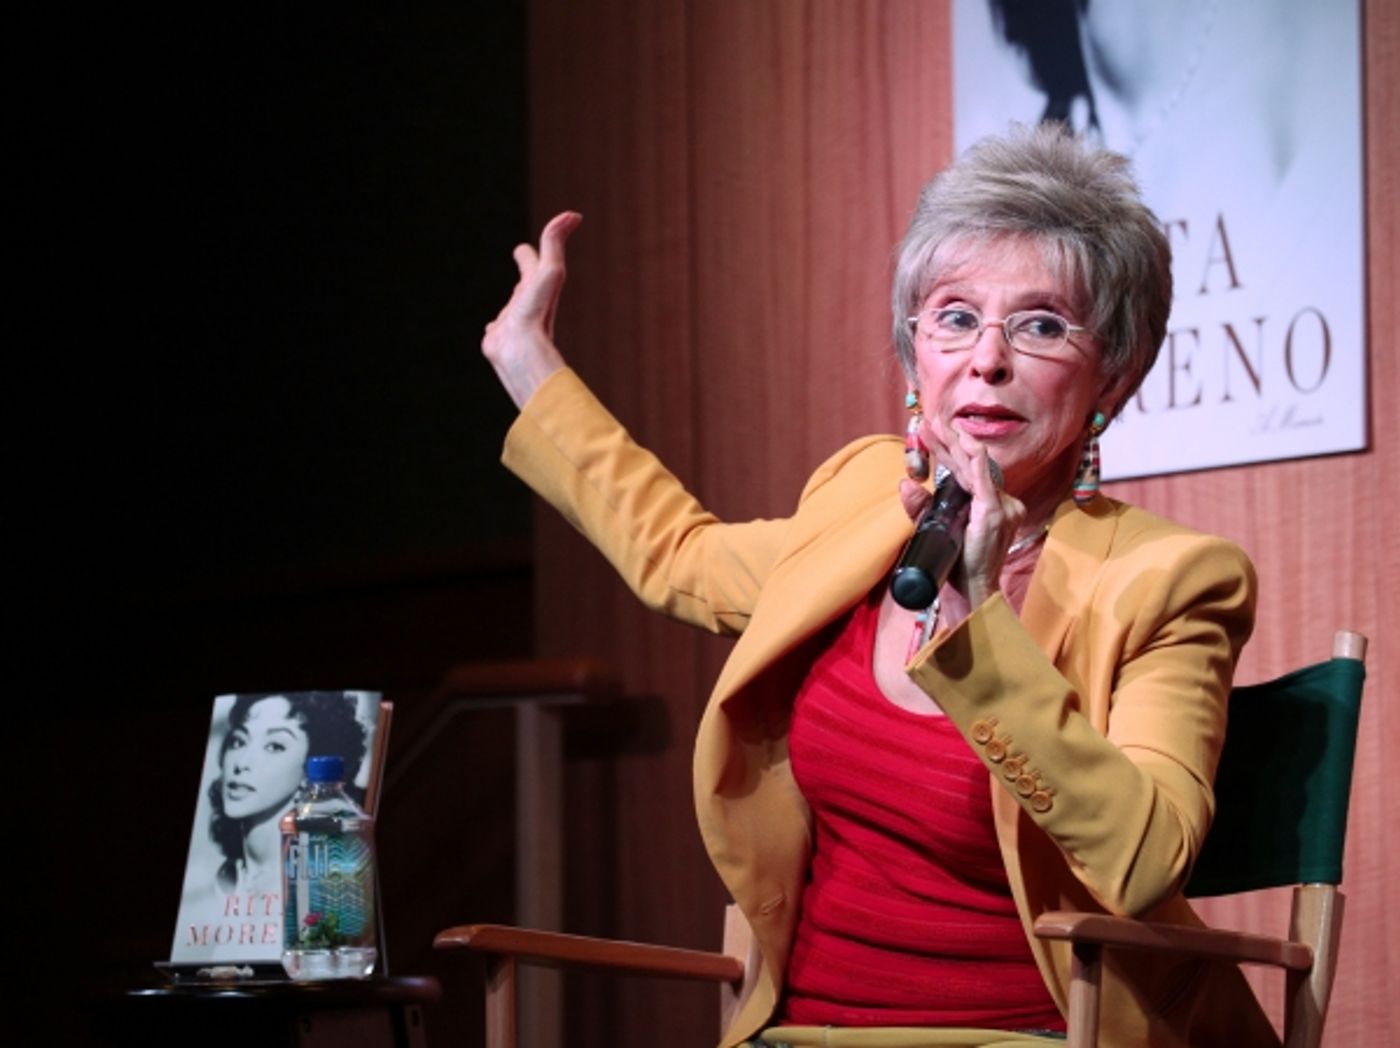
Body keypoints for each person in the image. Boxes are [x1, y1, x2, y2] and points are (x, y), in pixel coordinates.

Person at [482, 125, 1278, 1047]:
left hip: (1029, 1036)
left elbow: (1142, 861)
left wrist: (979, 623)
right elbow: (681, 555)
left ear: (1117, 374)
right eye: (953, 316)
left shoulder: (1169, 582)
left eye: (1043, 325)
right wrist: (529, 366)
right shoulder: (868, 497)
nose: (987, 359)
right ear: (913, 360)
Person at [205, 692, 368, 897]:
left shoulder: (326, 888)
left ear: (310, 771)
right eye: (239, 741)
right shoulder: (218, 883)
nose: (242, 763)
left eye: (274, 746)